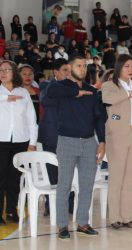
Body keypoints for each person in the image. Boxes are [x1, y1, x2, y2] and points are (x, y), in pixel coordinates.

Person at [46, 55, 106, 239]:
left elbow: (99, 118)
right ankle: (62, 225)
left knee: (87, 185)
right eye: (78, 66)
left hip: (89, 142)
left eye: (84, 66)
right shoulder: (60, 87)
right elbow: (50, 92)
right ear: (70, 68)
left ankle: (82, 223)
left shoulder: (92, 91)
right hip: (66, 141)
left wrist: (102, 142)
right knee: (64, 185)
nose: (82, 69)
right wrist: (74, 93)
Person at [101, 54, 132, 229]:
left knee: (129, 178)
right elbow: (107, 100)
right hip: (117, 134)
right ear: (119, 68)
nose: (130, 70)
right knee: (116, 178)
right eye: (126, 66)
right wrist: (125, 94)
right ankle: (115, 217)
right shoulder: (109, 85)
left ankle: (128, 216)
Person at [0, 60, 37, 224]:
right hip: (1, 141)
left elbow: (32, 120)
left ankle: (11, 211)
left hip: (21, 141)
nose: (3, 72)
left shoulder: (24, 93)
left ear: (14, 73)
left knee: (14, 179)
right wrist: (5, 98)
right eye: (1, 70)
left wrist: (32, 143)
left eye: (6, 70)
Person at [38, 58, 71, 216]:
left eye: (69, 70)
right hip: (50, 136)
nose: (68, 73)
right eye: (65, 70)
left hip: (70, 135)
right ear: (56, 72)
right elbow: (46, 100)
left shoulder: (74, 87)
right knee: (52, 173)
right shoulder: (46, 85)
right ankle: (51, 206)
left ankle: (68, 205)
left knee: (69, 171)